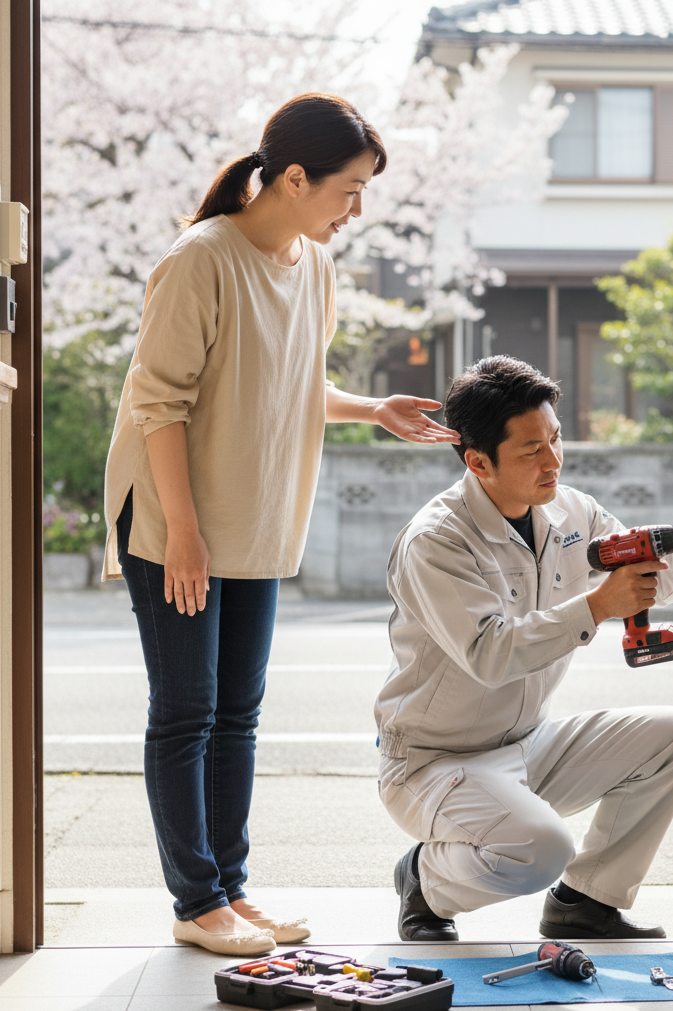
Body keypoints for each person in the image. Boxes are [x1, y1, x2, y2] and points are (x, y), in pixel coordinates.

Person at [102, 93, 459, 956]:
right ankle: (197, 904)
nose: (356, 210)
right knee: (186, 712)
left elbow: (290, 382)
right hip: (175, 519)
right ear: (293, 177)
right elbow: (159, 408)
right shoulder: (202, 260)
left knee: (238, 714)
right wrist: (182, 535)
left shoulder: (314, 266)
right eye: (348, 189)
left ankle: (229, 892)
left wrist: (373, 408)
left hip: (253, 520)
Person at [376, 356, 673, 941]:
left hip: (525, 743)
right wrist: (595, 606)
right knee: (541, 851)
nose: (554, 461)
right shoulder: (436, 542)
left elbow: (645, 577)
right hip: (432, 763)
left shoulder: (571, 510)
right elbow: (489, 654)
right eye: (531, 450)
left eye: (556, 439)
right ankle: (425, 879)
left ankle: (587, 903)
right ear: (477, 462)